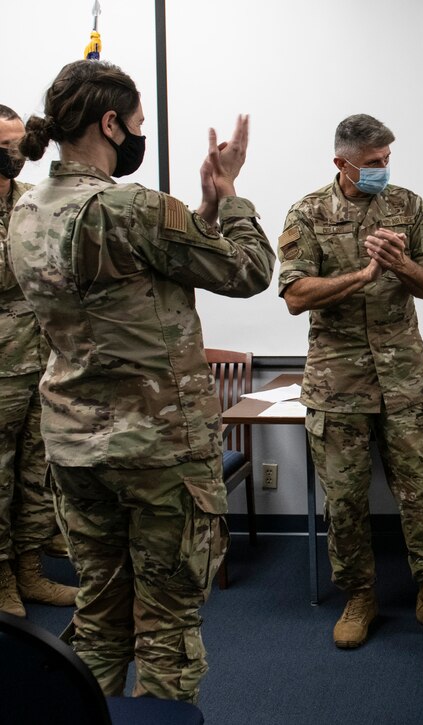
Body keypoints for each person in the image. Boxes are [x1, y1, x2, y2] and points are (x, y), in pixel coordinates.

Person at [8, 60, 275, 702]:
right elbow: (250, 270)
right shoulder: (133, 207)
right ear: (110, 124)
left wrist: (201, 211)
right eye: (137, 123)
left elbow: (136, 270)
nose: (139, 135)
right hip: (157, 454)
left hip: (74, 448)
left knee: (99, 617)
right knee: (166, 626)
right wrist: (230, 195)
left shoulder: (28, 208)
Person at [279, 113, 423, 649]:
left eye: (388, 159)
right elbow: (296, 295)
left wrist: (400, 266)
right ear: (341, 163)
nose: (384, 169)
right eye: (373, 162)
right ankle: (359, 596)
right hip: (337, 383)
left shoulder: (409, 208)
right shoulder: (307, 213)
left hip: (404, 381)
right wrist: (362, 276)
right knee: (345, 500)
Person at [0, 104, 77, 617]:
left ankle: (29, 571)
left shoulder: (31, 199)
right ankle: (2, 578)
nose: (15, 153)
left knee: (36, 471)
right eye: (3, 146)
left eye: (16, 142)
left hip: (44, 361)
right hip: (2, 369)